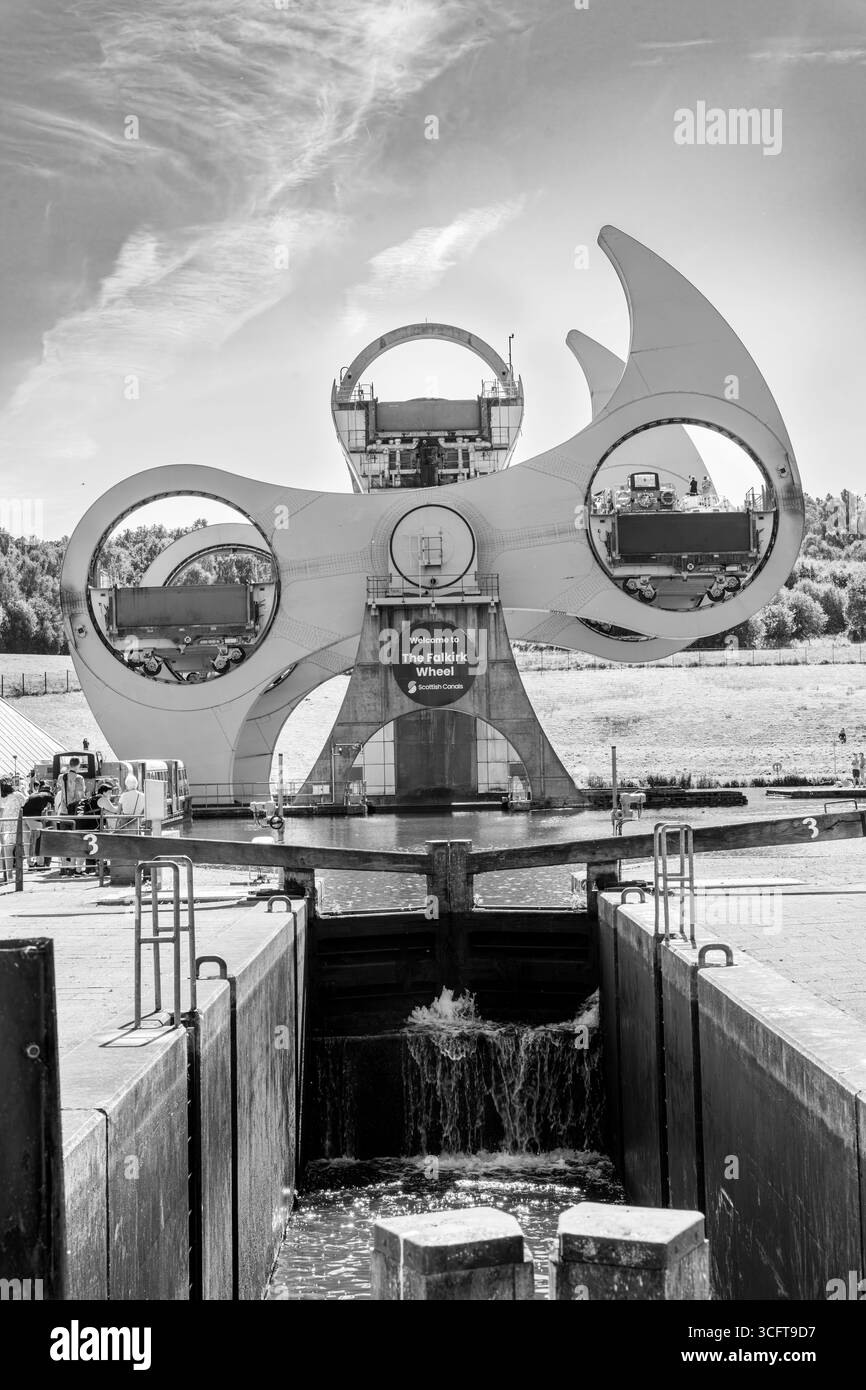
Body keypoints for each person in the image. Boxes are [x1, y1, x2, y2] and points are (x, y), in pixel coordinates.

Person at [22, 781, 55, 868]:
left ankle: (30, 863)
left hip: (23, 818)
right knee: (39, 840)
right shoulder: (48, 795)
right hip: (33, 818)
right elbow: (54, 805)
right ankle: (40, 864)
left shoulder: (34, 794)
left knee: (27, 842)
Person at [0, 777, 27, 880]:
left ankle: (9, 875)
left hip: (5, 825)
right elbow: (25, 802)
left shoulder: (2, 798)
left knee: (7, 851)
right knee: (19, 850)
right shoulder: (18, 795)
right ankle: (18, 877)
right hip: (18, 824)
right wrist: (24, 791)